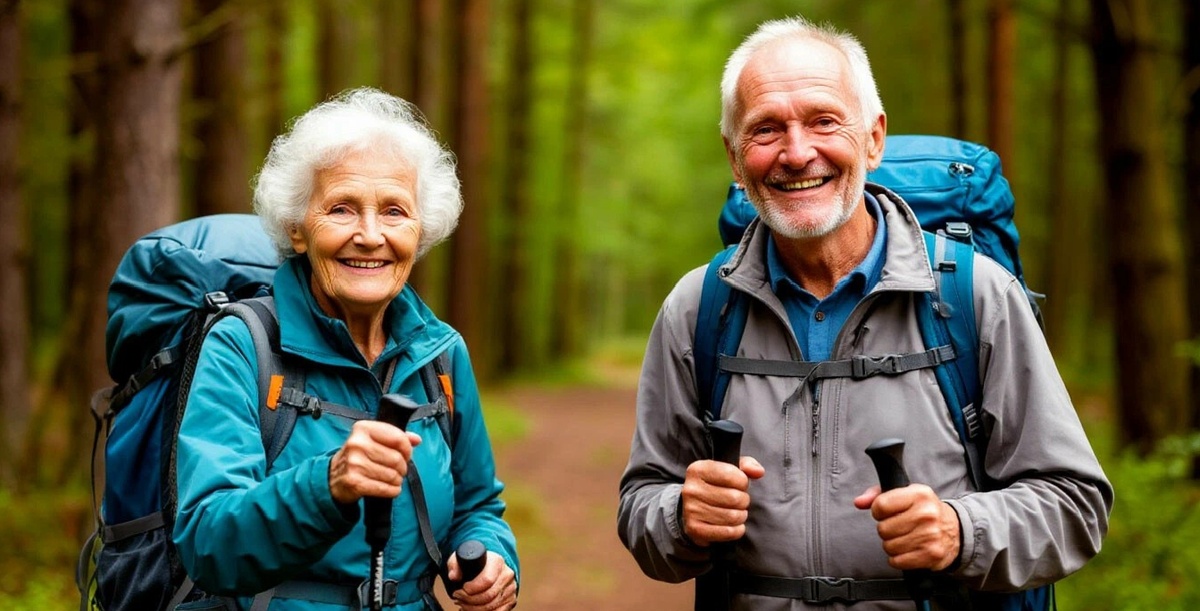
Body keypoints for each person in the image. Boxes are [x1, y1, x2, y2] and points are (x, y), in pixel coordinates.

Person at [617, 16, 1112, 611]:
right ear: (733, 156)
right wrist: (679, 515)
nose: (797, 153)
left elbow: (1075, 505)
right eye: (766, 129)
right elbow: (642, 501)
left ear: (874, 137)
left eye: (824, 121)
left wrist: (962, 531)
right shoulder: (699, 307)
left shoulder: (974, 296)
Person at [174, 88, 519, 611]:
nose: (370, 234)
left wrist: (492, 556)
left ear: (420, 230)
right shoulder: (241, 345)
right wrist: (327, 483)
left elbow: (478, 505)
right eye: (341, 208)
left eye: (395, 211)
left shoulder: (442, 355)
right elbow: (208, 543)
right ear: (297, 228)